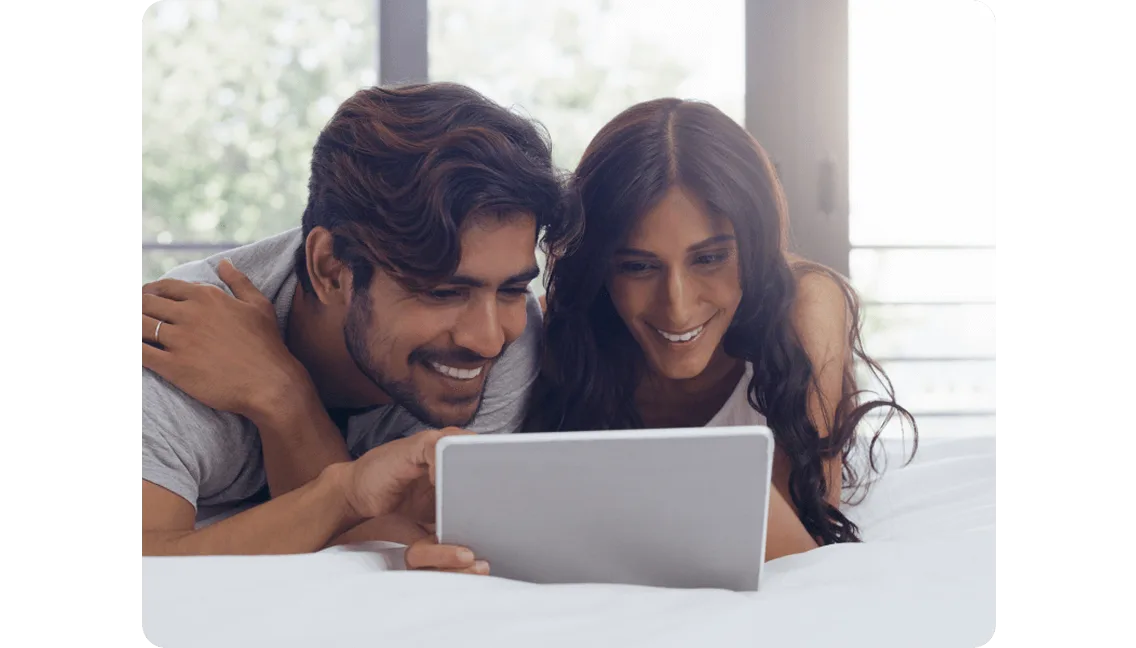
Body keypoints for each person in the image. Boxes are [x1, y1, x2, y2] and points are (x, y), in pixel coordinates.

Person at [137, 82, 582, 571]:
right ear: (331, 269)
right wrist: (344, 489)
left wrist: (287, 400)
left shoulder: (506, 337)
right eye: (443, 293)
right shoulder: (174, 347)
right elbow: (150, 574)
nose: (488, 338)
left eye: (512, 290)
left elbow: (415, 549)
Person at [523, 98, 918, 561]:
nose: (678, 304)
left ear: (753, 247)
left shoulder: (805, 307)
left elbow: (803, 550)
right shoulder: (558, 329)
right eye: (637, 266)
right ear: (599, 268)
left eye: (709, 258)